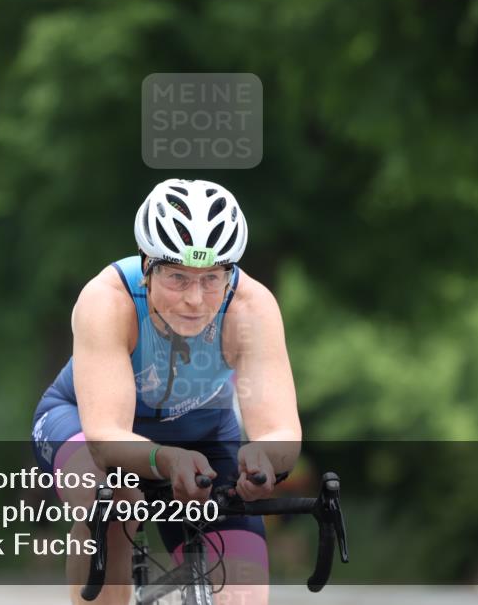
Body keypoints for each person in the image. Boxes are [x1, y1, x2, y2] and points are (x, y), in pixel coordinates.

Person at [30, 178, 301, 605]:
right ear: (147, 264)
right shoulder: (108, 300)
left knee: (244, 591)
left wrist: (264, 457)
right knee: (116, 501)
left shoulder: (251, 306)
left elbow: (282, 429)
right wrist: (166, 458)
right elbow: (105, 441)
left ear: (229, 273)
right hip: (82, 423)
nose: (195, 299)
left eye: (211, 278)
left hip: (203, 434)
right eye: (177, 276)